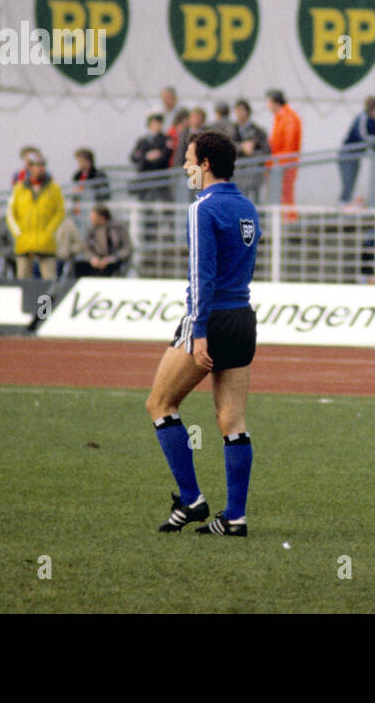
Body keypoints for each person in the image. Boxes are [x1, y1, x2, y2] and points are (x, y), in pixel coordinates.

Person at [146, 131, 260, 538]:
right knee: (232, 420)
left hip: (211, 320)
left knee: (160, 404)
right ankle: (235, 517)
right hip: (243, 319)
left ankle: (192, 498)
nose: (184, 167)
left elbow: (201, 275)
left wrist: (197, 331)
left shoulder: (202, 208)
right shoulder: (248, 207)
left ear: (206, 164)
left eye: (189, 159)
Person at [6, 151, 65, 279]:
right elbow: (11, 213)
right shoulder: (19, 189)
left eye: (42, 165)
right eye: (37, 165)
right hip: (25, 242)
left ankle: (46, 300)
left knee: (48, 280)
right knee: (23, 278)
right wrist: (19, 234)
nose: (40, 168)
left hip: (45, 242)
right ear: (30, 168)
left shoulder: (54, 189)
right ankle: (27, 300)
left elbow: (59, 212)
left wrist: (49, 232)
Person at [339, 96, 375, 205]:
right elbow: (362, 135)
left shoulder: (374, 120)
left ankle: (347, 204)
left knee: (352, 182)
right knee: (348, 183)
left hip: (356, 155)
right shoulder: (362, 117)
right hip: (348, 154)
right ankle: (343, 204)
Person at [266, 89, 301, 216]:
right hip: (282, 162)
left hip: (285, 163)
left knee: (285, 192)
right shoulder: (282, 117)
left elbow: (289, 144)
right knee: (284, 193)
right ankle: (286, 219)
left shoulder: (288, 118)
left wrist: (279, 163)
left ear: (275, 103)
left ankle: (289, 220)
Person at [73, 204, 132, 277]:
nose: (91, 218)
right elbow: (86, 248)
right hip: (96, 261)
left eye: (93, 216)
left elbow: (127, 249)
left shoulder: (118, 228)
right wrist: (92, 258)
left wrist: (113, 258)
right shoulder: (91, 230)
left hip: (115, 261)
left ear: (101, 217)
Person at [130, 112, 174, 202]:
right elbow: (134, 157)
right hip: (145, 177)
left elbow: (166, 155)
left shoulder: (166, 139)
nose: (156, 125)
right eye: (154, 123)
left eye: (158, 123)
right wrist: (146, 157)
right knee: (146, 203)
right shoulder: (142, 141)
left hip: (161, 177)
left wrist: (155, 157)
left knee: (166, 204)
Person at [232, 99, 269, 202]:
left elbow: (266, 151)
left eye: (241, 110)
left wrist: (253, 149)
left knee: (254, 201)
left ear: (247, 112)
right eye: (237, 111)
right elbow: (226, 147)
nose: (239, 114)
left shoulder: (258, 131)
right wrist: (241, 147)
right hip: (236, 174)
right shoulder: (231, 129)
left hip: (253, 175)